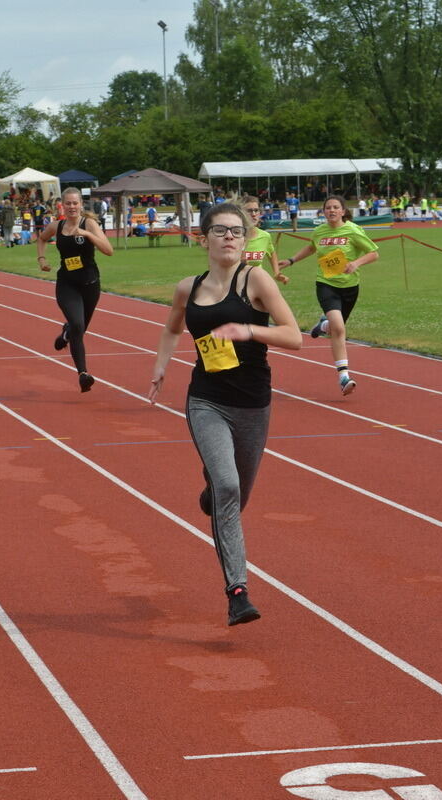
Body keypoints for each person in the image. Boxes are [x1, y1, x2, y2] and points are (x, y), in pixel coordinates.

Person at [148, 203, 301, 626]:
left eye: (238, 231)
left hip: (253, 403)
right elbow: (172, 327)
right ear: (204, 239)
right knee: (229, 487)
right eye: (221, 230)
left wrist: (247, 329)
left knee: (235, 494)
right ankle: (237, 591)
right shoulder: (188, 288)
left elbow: (294, 336)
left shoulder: (256, 279)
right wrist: (161, 364)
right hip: (206, 400)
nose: (231, 237)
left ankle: (211, 492)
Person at [278, 195, 379, 396]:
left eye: (335, 207)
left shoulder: (353, 230)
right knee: (339, 329)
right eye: (328, 208)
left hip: (350, 287)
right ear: (324, 212)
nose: (331, 211)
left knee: (334, 329)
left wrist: (356, 264)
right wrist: (291, 260)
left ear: (343, 211)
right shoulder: (319, 231)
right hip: (325, 284)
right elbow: (311, 247)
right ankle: (344, 377)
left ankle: (323, 326)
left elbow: (374, 253)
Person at [36, 187, 113, 392]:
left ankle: (65, 335)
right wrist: (41, 259)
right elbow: (42, 238)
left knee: (78, 328)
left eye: (75, 203)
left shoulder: (89, 223)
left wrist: (87, 234)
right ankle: (83, 374)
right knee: (78, 325)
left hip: (90, 284)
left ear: (81, 204)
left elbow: (108, 250)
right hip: (67, 284)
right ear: (62, 205)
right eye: (67, 203)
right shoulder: (56, 226)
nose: (71, 206)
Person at [240, 196, 289, 285]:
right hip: (235, 285)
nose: (254, 214)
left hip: (258, 284)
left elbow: (272, 253)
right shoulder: (232, 236)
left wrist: (277, 273)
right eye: (249, 211)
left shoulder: (265, 236)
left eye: (256, 210)